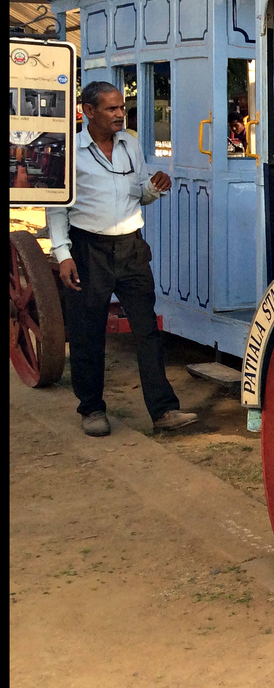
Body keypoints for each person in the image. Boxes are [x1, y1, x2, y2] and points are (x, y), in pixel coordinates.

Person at [47, 82, 196, 437]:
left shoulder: (130, 143)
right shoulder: (70, 151)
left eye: (121, 107)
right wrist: (63, 254)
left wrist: (155, 188)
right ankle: (92, 409)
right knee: (88, 332)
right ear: (88, 111)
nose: (119, 114)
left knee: (147, 331)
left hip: (130, 247)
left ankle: (163, 411)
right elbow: (56, 207)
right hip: (88, 249)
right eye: (111, 109)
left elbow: (139, 195)